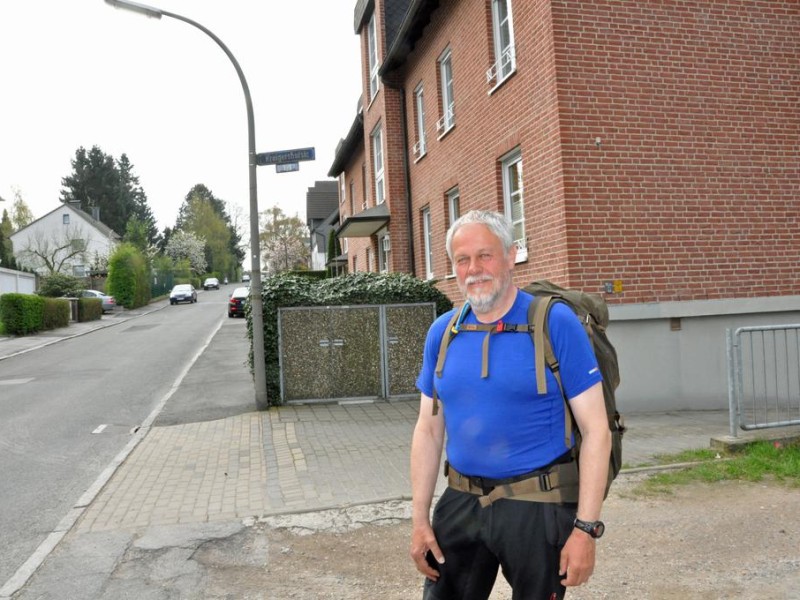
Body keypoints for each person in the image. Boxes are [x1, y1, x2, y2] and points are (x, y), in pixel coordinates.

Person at [410, 210, 611, 599]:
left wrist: (586, 529)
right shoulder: (443, 333)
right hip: (461, 503)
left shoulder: (555, 323)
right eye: (462, 259)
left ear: (511, 254)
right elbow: (428, 429)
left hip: (537, 506)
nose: (474, 269)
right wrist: (419, 516)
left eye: (485, 255)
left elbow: (596, 430)